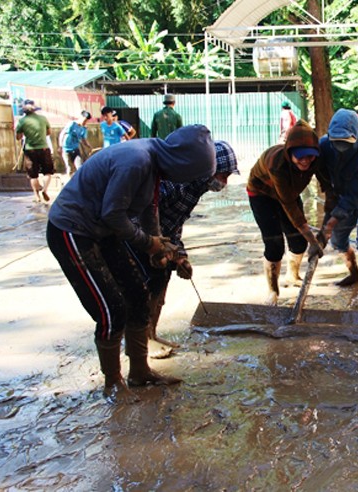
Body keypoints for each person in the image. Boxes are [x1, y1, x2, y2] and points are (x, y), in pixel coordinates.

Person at [46, 125, 218, 397]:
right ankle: (112, 382)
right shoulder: (136, 161)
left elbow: (150, 211)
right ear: (184, 165)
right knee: (110, 308)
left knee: (138, 294)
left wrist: (162, 247)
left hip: (103, 230)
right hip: (73, 229)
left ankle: (139, 372)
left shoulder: (155, 161)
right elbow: (113, 215)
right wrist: (148, 243)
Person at [144, 140, 239, 358]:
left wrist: (181, 256)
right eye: (223, 176)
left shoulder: (196, 188)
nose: (224, 182)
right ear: (209, 170)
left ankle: (152, 333)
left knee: (161, 286)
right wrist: (155, 245)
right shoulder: (177, 184)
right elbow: (143, 212)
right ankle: (143, 341)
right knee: (147, 288)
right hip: (141, 236)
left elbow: (175, 224)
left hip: (160, 237)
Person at [247, 120, 335, 306]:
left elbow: (326, 184)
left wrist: (330, 217)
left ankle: (292, 276)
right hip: (261, 194)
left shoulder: (316, 160)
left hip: (290, 192)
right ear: (289, 153)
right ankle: (273, 291)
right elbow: (288, 204)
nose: (305, 161)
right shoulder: (276, 164)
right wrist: (313, 239)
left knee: (298, 241)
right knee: (274, 244)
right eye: (300, 157)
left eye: (309, 157)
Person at [318, 109, 358, 310]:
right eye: (336, 141)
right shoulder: (323, 146)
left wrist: (330, 221)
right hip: (341, 194)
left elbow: (354, 197)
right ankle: (354, 274)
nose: (340, 146)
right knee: (337, 241)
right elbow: (318, 170)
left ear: (356, 136)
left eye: (345, 141)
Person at [15, 99, 55, 203]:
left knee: (33, 175)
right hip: (43, 148)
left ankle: (36, 196)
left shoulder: (22, 121)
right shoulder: (43, 119)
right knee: (47, 172)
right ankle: (45, 190)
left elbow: (18, 137)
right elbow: (48, 133)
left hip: (30, 150)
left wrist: (26, 133)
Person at [59, 111, 92, 176]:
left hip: (75, 149)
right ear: (81, 117)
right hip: (66, 150)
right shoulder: (72, 124)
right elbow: (62, 134)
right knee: (70, 168)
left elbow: (84, 139)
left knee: (80, 167)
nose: (85, 122)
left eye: (86, 121)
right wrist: (60, 146)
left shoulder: (84, 129)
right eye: (84, 120)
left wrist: (89, 146)